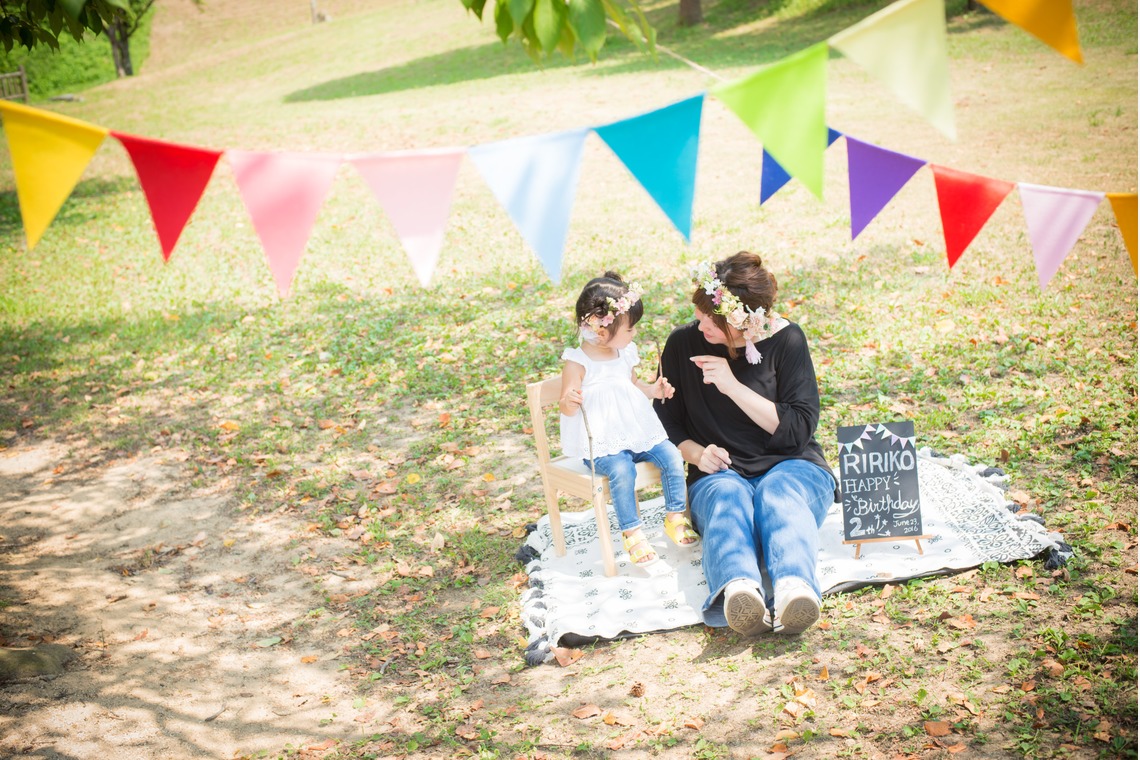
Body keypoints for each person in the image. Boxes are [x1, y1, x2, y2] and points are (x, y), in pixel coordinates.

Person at [654, 252, 837, 634]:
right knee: (727, 497)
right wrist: (697, 454)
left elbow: (799, 429)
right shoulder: (682, 344)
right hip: (721, 473)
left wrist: (732, 387)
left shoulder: (787, 339)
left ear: (741, 323)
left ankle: (793, 590)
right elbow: (665, 423)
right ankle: (740, 591)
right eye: (700, 312)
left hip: (794, 467)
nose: (700, 321)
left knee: (778, 492)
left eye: (711, 318)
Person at [559, 271, 699, 568]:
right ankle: (632, 531)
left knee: (672, 455)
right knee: (623, 471)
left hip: (637, 433)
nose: (633, 333)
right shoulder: (578, 361)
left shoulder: (624, 354)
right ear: (599, 328)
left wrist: (654, 389)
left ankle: (675, 515)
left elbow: (634, 387)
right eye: (629, 328)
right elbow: (567, 406)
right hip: (604, 444)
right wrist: (569, 400)